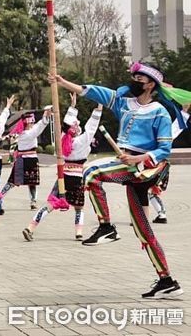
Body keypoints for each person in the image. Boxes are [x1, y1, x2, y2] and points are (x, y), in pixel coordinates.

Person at [49, 61, 187, 299]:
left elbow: (164, 149)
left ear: (151, 84)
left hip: (144, 166)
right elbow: (95, 92)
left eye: (139, 79)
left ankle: (106, 227)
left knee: (90, 172)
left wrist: (139, 158)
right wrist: (62, 83)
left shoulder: (160, 112)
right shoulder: (123, 103)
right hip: (128, 164)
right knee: (143, 230)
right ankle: (167, 280)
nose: (134, 81)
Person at [22, 93, 103, 241]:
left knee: (51, 203)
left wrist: (72, 107)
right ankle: (78, 233)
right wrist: (99, 108)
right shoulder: (82, 141)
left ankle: (30, 227)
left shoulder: (61, 140)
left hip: (63, 176)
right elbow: (91, 127)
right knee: (78, 207)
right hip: (77, 177)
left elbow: (65, 126)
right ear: (77, 129)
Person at [0, 110, 50, 214]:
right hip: (26, 159)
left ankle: (33, 201)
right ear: (27, 123)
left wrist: (45, 117)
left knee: (31, 182)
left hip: (29, 159)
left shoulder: (23, 133)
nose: (33, 124)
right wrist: (44, 118)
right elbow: (39, 128)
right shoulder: (27, 134)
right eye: (31, 122)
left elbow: (37, 128)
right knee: (13, 181)